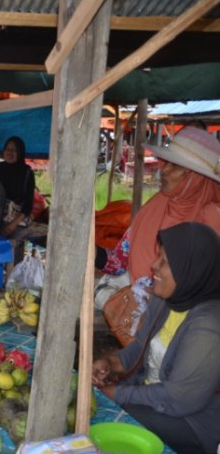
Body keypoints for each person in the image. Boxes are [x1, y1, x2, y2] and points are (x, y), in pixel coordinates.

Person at [92, 222, 220, 454]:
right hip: (152, 398)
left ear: (192, 271)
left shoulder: (209, 326)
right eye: (158, 256)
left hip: (191, 422)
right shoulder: (166, 300)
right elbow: (140, 347)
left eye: (165, 262)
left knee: (99, 421)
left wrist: (119, 394)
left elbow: (178, 399)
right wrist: (112, 362)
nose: (154, 266)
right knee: (90, 409)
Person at [96, 128, 220, 285]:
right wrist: (93, 253)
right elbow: (118, 262)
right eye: (166, 162)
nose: (164, 170)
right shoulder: (153, 209)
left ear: (197, 178)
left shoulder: (213, 224)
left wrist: (152, 297)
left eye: (174, 166)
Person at [0, 136, 36, 257]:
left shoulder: (27, 172)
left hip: (16, 219)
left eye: (14, 150)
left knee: (12, 248)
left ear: (20, 152)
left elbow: (28, 205)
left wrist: (12, 225)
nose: (9, 152)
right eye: (7, 149)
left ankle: (13, 273)